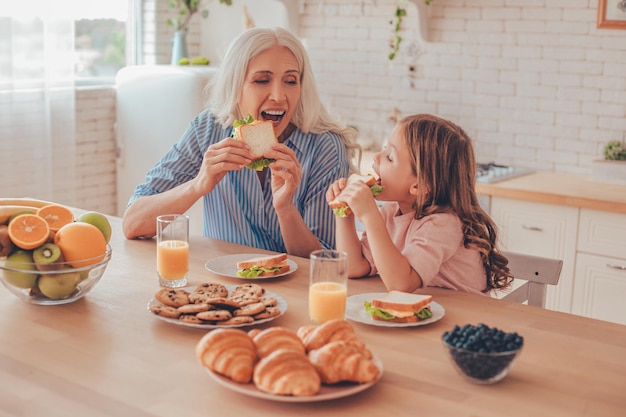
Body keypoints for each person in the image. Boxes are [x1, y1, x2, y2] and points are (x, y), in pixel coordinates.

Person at [123, 27, 361, 257]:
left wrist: (286, 209)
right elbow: (133, 223)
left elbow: (328, 260)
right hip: (223, 288)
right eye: (261, 80)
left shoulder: (324, 147)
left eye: (290, 81)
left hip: (296, 293)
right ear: (236, 85)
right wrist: (198, 184)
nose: (279, 96)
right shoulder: (208, 129)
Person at [326, 114, 512, 295]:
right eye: (384, 148)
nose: (376, 157)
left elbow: (401, 284)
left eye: (390, 157)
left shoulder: (443, 225)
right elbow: (353, 267)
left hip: (465, 319)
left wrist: (369, 216)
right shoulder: (392, 213)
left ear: (419, 185)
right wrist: (343, 210)